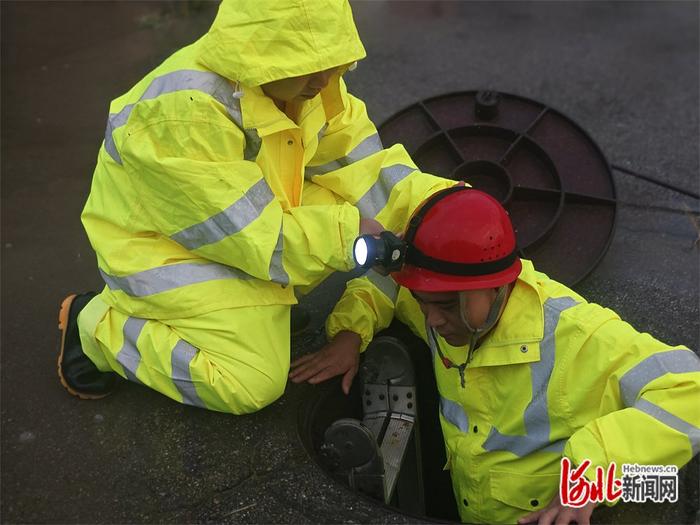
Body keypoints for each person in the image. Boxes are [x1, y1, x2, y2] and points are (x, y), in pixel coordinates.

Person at [57, 0, 457, 414]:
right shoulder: (183, 115)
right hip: (159, 247)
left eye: (330, 59)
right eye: (308, 64)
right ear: (263, 49)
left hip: (237, 227)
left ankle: (258, 310)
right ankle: (99, 329)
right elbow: (252, 238)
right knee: (250, 382)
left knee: (358, 209)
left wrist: (442, 205)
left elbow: (367, 170)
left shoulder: (307, 81)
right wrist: (349, 235)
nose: (324, 78)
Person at [290, 187, 700, 524]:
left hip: (555, 513)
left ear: (497, 286)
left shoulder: (577, 335)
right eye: (422, 300)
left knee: (658, 488)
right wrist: (349, 332)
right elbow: (389, 289)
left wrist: (591, 474)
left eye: (446, 307)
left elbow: (690, 389)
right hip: (475, 505)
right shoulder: (446, 304)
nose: (430, 321)